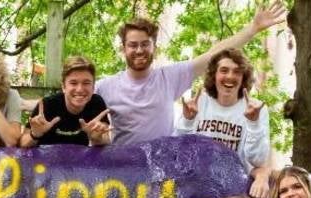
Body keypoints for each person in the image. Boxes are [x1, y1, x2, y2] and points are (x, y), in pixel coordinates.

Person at [96, 2, 286, 145]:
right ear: (123, 48)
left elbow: (213, 54)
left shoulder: (169, 77)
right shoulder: (104, 87)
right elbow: (87, 123)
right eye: (133, 45)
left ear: (154, 46)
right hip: (124, 171)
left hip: (160, 170)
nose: (139, 50)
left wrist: (253, 29)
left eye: (145, 44)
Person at [175, 49, 271, 198]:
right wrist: (187, 120)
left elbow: (258, 160)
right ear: (214, 76)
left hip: (233, 192)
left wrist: (253, 123)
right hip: (195, 188)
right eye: (224, 70)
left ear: (243, 77)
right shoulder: (198, 103)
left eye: (237, 72)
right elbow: (177, 152)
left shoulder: (255, 107)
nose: (230, 77)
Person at [21, 56, 111, 147]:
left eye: (86, 83)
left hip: (79, 159)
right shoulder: (47, 105)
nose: (79, 89)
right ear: (64, 87)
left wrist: (97, 138)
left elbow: (105, 139)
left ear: (93, 87)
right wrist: (35, 134)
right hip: (45, 159)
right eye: (73, 83)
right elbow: (22, 143)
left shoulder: (96, 103)